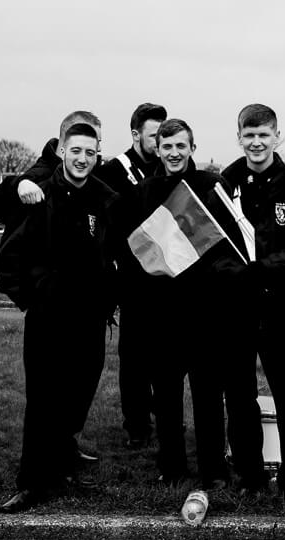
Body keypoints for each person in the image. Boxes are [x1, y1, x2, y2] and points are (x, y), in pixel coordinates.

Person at [0, 123, 118, 513]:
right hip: (48, 317)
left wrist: (108, 297)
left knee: (79, 392)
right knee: (43, 399)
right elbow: (8, 259)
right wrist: (33, 296)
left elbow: (120, 256)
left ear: (98, 154)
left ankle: (63, 461)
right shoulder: (40, 195)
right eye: (76, 150)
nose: (83, 159)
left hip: (89, 318)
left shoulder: (106, 199)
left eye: (90, 152)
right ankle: (31, 482)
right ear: (62, 150)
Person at [119, 118, 246, 491]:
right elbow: (134, 255)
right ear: (157, 149)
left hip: (205, 313)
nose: (174, 153)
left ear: (192, 147)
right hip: (162, 315)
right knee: (168, 399)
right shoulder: (144, 192)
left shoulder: (211, 187)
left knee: (208, 397)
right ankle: (171, 466)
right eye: (167, 146)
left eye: (181, 146)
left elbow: (229, 247)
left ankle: (214, 469)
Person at [220, 104, 285, 513]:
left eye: (264, 134)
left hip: (279, 307)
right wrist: (234, 274)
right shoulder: (224, 185)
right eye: (249, 135)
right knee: (240, 396)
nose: (257, 142)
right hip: (236, 309)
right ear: (239, 138)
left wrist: (263, 268)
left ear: (277, 136)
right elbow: (210, 240)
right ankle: (250, 477)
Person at [97, 102, 167, 450]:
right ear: (136, 134)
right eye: (154, 135)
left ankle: (166, 416)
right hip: (133, 277)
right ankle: (137, 425)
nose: (160, 141)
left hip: (167, 277)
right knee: (135, 356)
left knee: (166, 354)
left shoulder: (170, 166)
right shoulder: (114, 171)